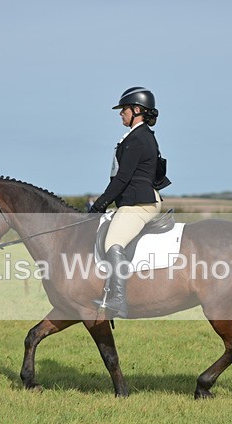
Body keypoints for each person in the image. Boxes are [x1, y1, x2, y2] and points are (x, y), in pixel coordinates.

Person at [88, 87, 167, 318]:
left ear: (137, 110)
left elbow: (123, 178)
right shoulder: (139, 136)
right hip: (136, 200)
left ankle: (119, 300)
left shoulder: (138, 139)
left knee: (113, 242)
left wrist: (99, 205)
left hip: (140, 203)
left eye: (124, 109)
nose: (120, 113)